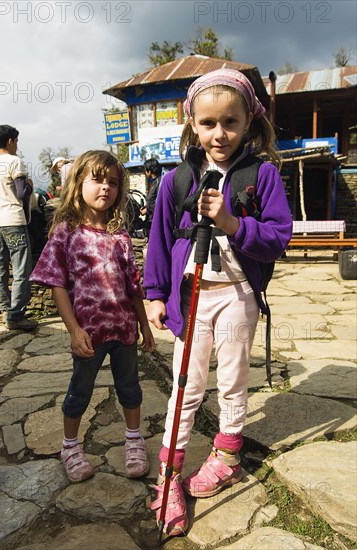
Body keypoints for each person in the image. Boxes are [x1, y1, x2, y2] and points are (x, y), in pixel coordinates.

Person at [143, 69, 292, 535]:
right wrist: (153, 294)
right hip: (191, 299)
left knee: (232, 381)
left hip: (237, 296)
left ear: (249, 121)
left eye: (230, 121)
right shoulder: (177, 179)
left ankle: (226, 455)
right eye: (208, 123)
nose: (219, 133)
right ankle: (169, 479)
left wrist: (230, 221)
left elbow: (277, 238)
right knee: (186, 387)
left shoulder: (262, 175)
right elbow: (160, 238)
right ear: (193, 124)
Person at [30, 150, 155, 483]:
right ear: (78, 183)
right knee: (80, 390)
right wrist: (73, 330)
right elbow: (56, 283)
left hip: (124, 331)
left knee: (130, 387)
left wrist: (145, 327)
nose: (105, 188)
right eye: (97, 179)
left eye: (113, 182)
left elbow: (133, 288)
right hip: (88, 334)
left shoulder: (120, 236)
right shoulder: (66, 232)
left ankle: (134, 439)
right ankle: (69, 446)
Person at [0, 124, 38, 331]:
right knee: (21, 269)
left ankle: (4, 309)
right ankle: (16, 315)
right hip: (13, 220)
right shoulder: (14, 161)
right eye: (16, 141)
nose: (17, 145)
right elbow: (21, 193)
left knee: (0, 267)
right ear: (10, 141)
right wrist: (29, 184)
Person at [140, 158, 164, 236]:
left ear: (149, 171)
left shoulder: (160, 183)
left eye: (145, 171)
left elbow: (159, 203)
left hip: (156, 221)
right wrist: (145, 207)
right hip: (151, 220)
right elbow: (152, 200)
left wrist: (147, 209)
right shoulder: (155, 182)